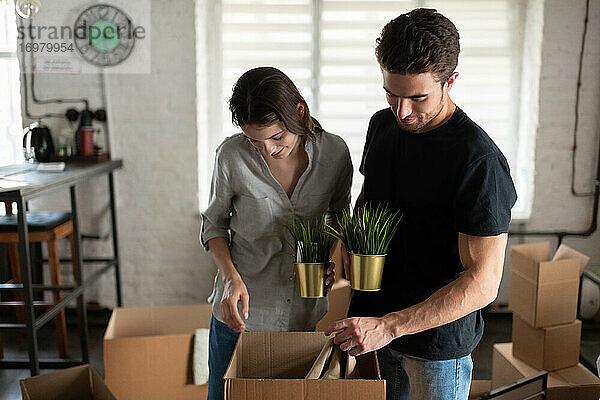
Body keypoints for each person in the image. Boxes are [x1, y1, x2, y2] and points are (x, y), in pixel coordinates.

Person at [324, 8, 517, 400]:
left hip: (434, 348)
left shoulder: (477, 160)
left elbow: (483, 284)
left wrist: (391, 326)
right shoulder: (382, 124)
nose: (402, 111)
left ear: (451, 82)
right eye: (391, 94)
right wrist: (343, 242)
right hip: (370, 327)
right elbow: (371, 199)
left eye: (417, 97)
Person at [200, 66, 353, 400]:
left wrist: (329, 258)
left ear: (298, 112)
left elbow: (340, 213)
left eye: (277, 137)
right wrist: (229, 279)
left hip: (303, 312)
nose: (268, 149)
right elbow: (214, 225)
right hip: (240, 314)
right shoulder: (231, 155)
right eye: (256, 141)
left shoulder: (335, 153)